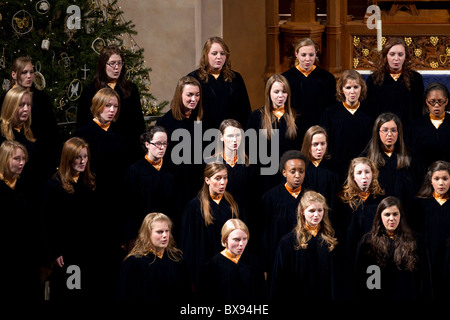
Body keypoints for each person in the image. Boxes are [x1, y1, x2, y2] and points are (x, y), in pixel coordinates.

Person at [41, 137, 98, 300]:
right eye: (78, 157)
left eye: (85, 156)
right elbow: (48, 222)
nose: (82, 161)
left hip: (87, 248)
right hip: (66, 252)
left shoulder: (89, 181)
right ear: (68, 158)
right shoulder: (54, 185)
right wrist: (55, 251)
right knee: (70, 291)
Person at [75, 87, 128, 256]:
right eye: (107, 106)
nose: (112, 110)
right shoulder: (83, 134)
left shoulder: (118, 133)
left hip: (115, 199)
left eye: (115, 106)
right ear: (98, 105)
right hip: (92, 197)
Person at [77, 45, 145, 163]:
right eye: (112, 63)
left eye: (119, 63)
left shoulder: (130, 89)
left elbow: (138, 123)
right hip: (100, 149)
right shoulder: (90, 90)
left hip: (128, 150)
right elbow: (83, 123)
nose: (116, 67)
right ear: (103, 65)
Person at [180, 162, 240, 294]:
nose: (223, 182)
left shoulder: (233, 205)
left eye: (225, 178)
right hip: (204, 270)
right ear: (207, 180)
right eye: (218, 178)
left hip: (230, 269)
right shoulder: (195, 207)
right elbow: (188, 245)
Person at [355, 196, 432, 300]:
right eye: (387, 214)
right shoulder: (368, 242)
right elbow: (362, 280)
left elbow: (424, 278)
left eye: (395, 214)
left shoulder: (415, 241)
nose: (392, 218)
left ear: (401, 215)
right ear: (380, 216)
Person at [270, 190, 339, 305]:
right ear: (302, 211)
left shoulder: (332, 240)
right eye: (312, 210)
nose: (316, 215)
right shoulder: (288, 242)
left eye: (320, 210)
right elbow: (280, 281)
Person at [0, 56, 61, 174]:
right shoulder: (5, 99)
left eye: (31, 72)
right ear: (14, 74)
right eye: (24, 72)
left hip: (41, 158)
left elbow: (52, 131)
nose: (29, 76)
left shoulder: (42, 98)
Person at [335, 157, 385, 298]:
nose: (364, 176)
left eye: (367, 172)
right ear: (352, 176)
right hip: (349, 255)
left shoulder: (381, 199)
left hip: (375, 254)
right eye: (359, 173)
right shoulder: (343, 200)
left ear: (373, 174)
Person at [246, 74, 304, 195]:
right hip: (263, 179)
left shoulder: (296, 118)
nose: (280, 96)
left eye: (284, 92)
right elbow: (249, 151)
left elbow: (300, 149)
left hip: (288, 177)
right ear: (268, 93)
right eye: (276, 92)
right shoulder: (256, 117)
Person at [156, 76, 205, 214]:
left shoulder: (203, 119)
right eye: (189, 95)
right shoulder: (165, 122)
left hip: (198, 182)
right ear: (180, 95)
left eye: (197, 95)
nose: (194, 99)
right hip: (175, 183)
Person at [0, 141, 41, 299]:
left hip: (27, 258)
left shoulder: (26, 186)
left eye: (24, 159)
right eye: (17, 159)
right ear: (4, 159)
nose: (22, 163)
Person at [118, 213, 192, 301]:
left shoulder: (177, 259)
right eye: (159, 232)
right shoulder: (133, 263)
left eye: (167, 231)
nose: (165, 235)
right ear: (147, 234)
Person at [123, 125, 176, 243]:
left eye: (165, 144)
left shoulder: (171, 170)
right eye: (157, 144)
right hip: (142, 233)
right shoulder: (135, 171)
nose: (162, 147)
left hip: (166, 232)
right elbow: (129, 207)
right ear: (147, 144)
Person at [261, 150, 308, 279]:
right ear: (284, 172)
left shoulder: (309, 197)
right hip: (277, 257)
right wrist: (265, 265)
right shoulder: (270, 198)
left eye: (301, 171)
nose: (297, 175)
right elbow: (265, 234)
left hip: (304, 258)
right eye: (293, 171)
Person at [320, 69, 374, 183]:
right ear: (341, 90)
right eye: (348, 87)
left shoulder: (370, 112)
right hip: (337, 169)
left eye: (356, 87)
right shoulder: (330, 113)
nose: (352, 91)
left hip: (363, 169)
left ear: (362, 88)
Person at [361, 112, 421, 212]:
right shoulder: (366, 159)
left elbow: (420, 188)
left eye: (393, 130)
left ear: (399, 132)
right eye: (385, 130)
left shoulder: (411, 158)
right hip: (377, 214)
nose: (389, 134)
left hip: (407, 213)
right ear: (377, 132)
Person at [188, 36, 251, 129]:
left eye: (222, 53)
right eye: (214, 53)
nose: (219, 57)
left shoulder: (235, 78)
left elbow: (245, 111)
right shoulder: (193, 78)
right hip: (202, 133)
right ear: (206, 55)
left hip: (231, 133)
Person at [199, 219, 266, 303]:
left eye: (244, 239)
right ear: (226, 239)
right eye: (236, 239)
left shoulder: (255, 263)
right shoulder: (211, 267)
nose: (241, 244)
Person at [366, 37, 424, 131]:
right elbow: (370, 111)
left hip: (408, 131)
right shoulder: (374, 79)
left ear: (405, 57)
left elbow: (418, 111)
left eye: (400, 54)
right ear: (386, 56)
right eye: (392, 54)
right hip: (382, 132)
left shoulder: (415, 79)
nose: (396, 59)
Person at [282, 37, 336, 132]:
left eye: (311, 55)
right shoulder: (286, 78)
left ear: (316, 54)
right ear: (296, 54)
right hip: (293, 128)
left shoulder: (327, 78)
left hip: (319, 128)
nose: (308, 59)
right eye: (303, 55)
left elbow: (331, 108)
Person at [415, 160, 450, 299]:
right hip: (427, 259)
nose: (441, 183)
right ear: (430, 180)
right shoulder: (419, 205)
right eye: (437, 179)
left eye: (445, 179)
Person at [407, 82, 450, 173]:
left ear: (446, 101)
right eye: (432, 101)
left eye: (440, 101)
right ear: (427, 102)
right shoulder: (416, 125)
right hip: (423, 176)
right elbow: (411, 156)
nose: (436, 105)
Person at [301, 125, 340, 210]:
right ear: (308, 145)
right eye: (315, 144)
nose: (320, 148)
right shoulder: (300, 169)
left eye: (323, 144)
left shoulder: (333, 169)